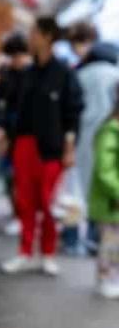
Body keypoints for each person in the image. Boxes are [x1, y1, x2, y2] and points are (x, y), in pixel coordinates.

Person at [2, 17, 84, 276]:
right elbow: (13, 109)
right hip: (24, 144)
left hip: (52, 148)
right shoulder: (26, 74)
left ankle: (48, 253)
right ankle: (25, 252)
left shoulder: (65, 73)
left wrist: (69, 148)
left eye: (34, 32)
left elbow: (73, 113)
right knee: (25, 202)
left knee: (48, 203)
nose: (30, 37)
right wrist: (8, 137)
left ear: (47, 36)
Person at [69, 23, 119, 255]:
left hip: (83, 138)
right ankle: (97, 241)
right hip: (109, 134)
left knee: (78, 189)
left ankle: (77, 240)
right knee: (104, 189)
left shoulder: (80, 74)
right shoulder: (115, 74)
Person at [0, 33, 30, 235]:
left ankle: (21, 216)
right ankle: (17, 213)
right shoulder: (7, 75)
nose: (15, 61)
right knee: (9, 177)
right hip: (8, 134)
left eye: (18, 56)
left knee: (20, 179)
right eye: (12, 57)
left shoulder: (32, 76)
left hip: (22, 136)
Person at [89, 93, 119, 298]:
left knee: (112, 243)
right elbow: (104, 169)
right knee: (110, 243)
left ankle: (109, 278)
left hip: (112, 199)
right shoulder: (111, 131)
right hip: (111, 201)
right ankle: (106, 278)